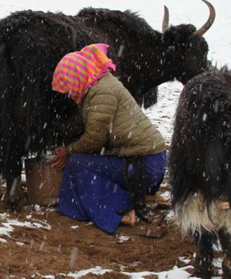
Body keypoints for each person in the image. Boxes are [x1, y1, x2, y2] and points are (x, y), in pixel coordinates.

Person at [50, 43, 166, 235]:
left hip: (145, 166)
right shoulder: (102, 84)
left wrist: (68, 150)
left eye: (69, 86)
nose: (70, 94)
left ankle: (116, 213)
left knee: (78, 163)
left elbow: (94, 139)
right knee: (92, 161)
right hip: (149, 161)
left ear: (77, 77)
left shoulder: (101, 93)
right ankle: (126, 202)